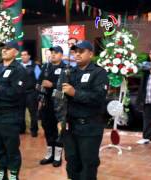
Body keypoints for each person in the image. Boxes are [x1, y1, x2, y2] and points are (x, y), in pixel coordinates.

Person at [57, 40, 108, 179]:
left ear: (90, 54)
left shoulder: (99, 73)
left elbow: (98, 97)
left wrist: (75, 93)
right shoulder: (68, 72)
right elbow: (58, 96)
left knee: (88, 163)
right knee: (72, 162)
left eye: (81, 51)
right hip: (70, 127)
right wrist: (60, 118)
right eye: (75, 51)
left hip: (90, 127)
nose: (77, 54)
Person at [0, 41, 26, 180]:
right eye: (3, 49)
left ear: (16, 52)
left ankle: (13, 173)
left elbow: (17, 93)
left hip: (10, 116)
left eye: (8, 49)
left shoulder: (19, 70)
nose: (4, 51)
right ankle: (2, 170)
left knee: (11, 148)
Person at [38, 46, 66, 167]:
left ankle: (58, 156)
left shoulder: (66, 68)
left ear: (61, 55)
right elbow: (39, 83)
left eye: (56, 53)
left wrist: (53, 85)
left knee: (58, 131)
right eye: (52, 53)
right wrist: (40, 91)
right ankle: (49, 154)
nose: (53, 55)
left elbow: (67, 87)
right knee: (47, 129)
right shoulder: (45, 67)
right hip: (46, 103)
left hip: (59, 104)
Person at [19, 50, 41, 137]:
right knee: (20, 112)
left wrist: (38, 93)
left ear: (29, 56)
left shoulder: (35, 66)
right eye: (22, 55)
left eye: (25, 55)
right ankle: (21, 129)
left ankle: (34, 130)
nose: (23, 57)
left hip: (31, 93)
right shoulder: (18, 66)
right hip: (20, 93)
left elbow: (39, 79)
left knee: (33, 113)